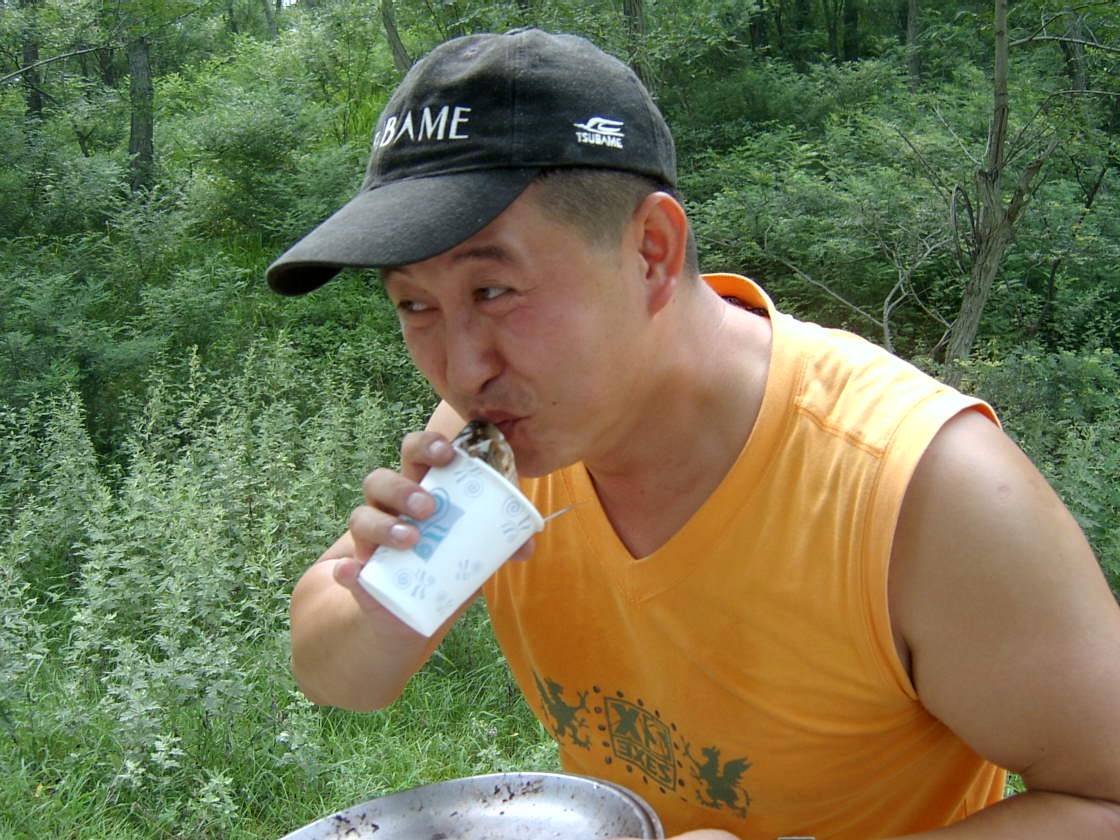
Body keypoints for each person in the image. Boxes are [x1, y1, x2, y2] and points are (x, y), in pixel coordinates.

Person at [268, 28, 1120, 840]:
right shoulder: (498, 440)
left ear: (651, 250)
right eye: (414, 304)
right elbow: (332, 672)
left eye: (493, 292)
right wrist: (397, 600)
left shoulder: (922, 489)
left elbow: (1104, 802)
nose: (459, 370)